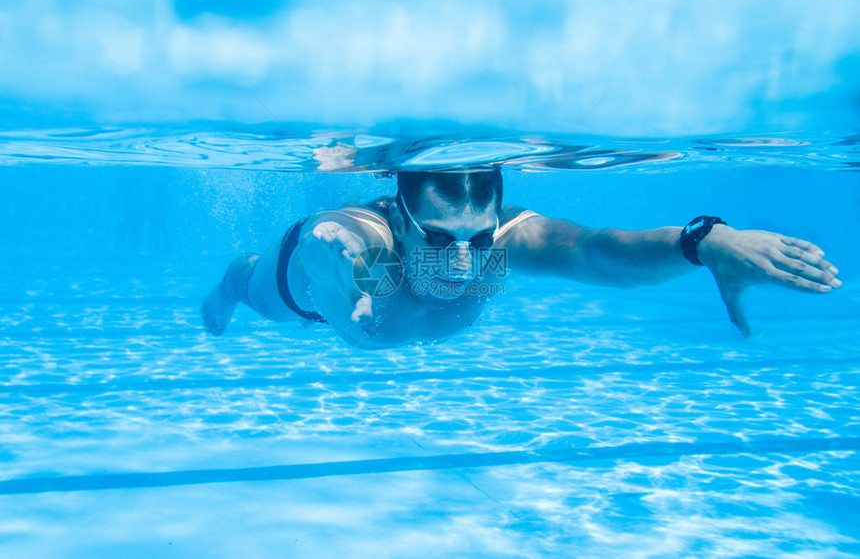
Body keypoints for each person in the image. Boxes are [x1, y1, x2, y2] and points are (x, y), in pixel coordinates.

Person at [201, 167, 842, 349]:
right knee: (263, 300)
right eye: (438, 238)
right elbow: (334, 239)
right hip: (300, 289)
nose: (461, 261)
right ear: (400, 215)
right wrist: (359, 272)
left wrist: (701, 241)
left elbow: (597, 252)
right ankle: (235, 277)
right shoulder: (366, 234)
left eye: (478, 239)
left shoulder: (504, 240)